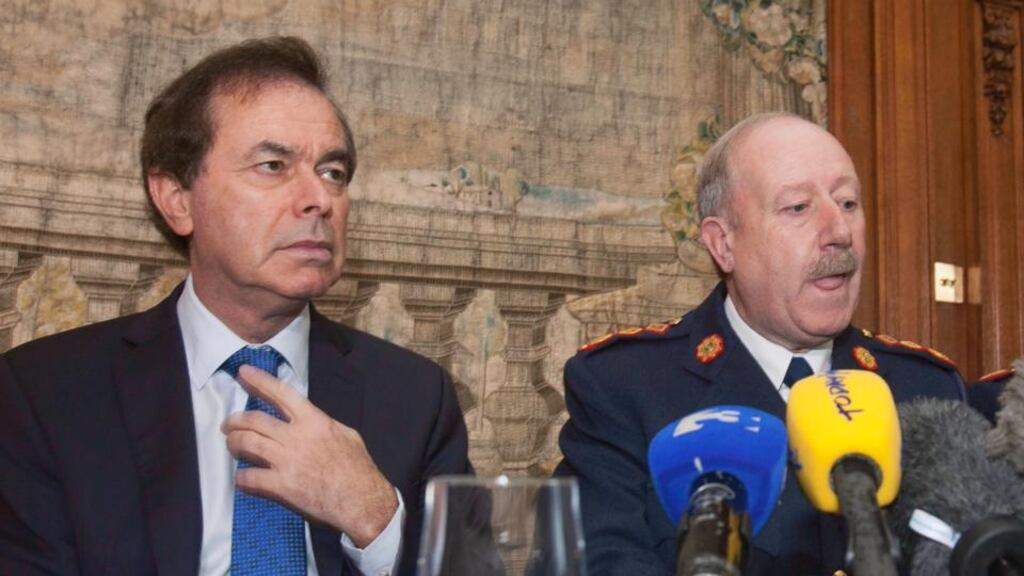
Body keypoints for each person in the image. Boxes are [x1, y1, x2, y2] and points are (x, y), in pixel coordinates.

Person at [0, 37, 471, 576]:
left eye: (333, 172)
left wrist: (374, 516)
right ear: (177, 198)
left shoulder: (414, 398)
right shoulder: (48, 393)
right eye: (273, 165)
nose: (319, 198)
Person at [555, 112, 966, 575]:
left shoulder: (925, 388)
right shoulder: (623, 387)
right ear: (723, 243)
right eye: (798, 208)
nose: (839, 232)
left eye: (848, 203)